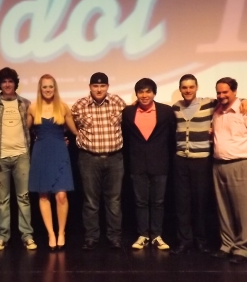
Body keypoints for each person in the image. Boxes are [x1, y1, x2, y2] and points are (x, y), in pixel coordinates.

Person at [170, 74, 247, 255]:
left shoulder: (209, 103)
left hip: (201, 160)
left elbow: (230, 100)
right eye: (184, 87)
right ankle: (184, 241)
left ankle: (201, 240)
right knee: (182, 203)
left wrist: (245, 100)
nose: (188, 90)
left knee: (200, 203)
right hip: (180, 160)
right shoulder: (175, 107)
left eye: (191, 87)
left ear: (197, 87)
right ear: (181, 89)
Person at [210, 77, 247, 264]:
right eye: (219, 92)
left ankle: (242, 248)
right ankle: (227, 245)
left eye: (225, 92)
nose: (221, 95)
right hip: (219, 165)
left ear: (234, 91)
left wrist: (245, 152)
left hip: (242, 164)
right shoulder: (217, 111)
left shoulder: (246, 110)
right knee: (224, 209)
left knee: (244, 209)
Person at [71, 72, 126, 250]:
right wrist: (74, 137)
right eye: (95, 86)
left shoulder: (118, 102)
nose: (99, 89)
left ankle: (114, 237)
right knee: (91, 201)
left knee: (114, 201)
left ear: (107, 87)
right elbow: (67, 122)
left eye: (102, 86)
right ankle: (91, 237)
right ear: (90, 87)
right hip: (89, 159)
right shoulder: (79, 105)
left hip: (114, 158)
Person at [121, 78, 176, 251]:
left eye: (148, 91)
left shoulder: (166, 111)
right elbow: (125, 137)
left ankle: (157, 235)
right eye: (141, 92)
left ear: (154, 93)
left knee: (158, 202)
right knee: (140, 202)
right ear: (136, 94)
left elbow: (172, 137)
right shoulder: (128, 112)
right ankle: (143, 234)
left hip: (160, 163)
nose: (144, 95)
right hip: (137, 163)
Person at [0, 67, 37, 250]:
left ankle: (27, 235)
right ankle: (2, 236)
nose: (7, 84)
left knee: (23, 198)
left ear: (15, 83)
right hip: (0, 157)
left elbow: (32, 128)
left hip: (21, 156)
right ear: (0, 84)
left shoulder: (25, 103)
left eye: (10, 81)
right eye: (4, 82)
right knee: (2, 200)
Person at [27, 74, 78, 251]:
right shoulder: (33, 108)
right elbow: (25, 131)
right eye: (44, 87)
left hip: (59, 152)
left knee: (61, 195)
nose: (48, 90)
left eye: (51, 87)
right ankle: (51, 233)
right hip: (40, 152)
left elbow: (75, 131)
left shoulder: (63, 107)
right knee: (43, 195)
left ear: (55, 88)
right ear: (40, 89)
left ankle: (61, 232)